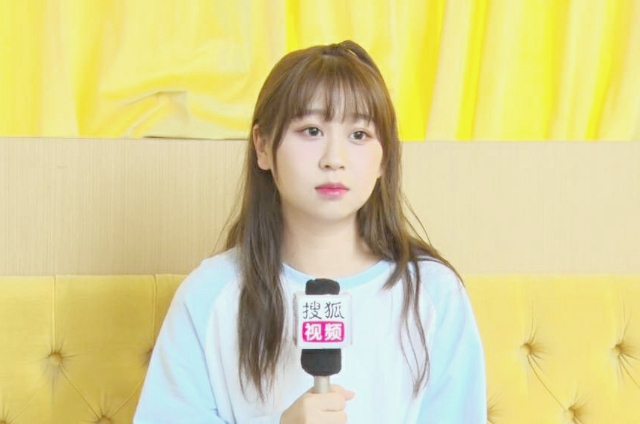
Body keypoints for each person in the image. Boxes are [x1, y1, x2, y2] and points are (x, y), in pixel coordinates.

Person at [134, 40, 486, 424]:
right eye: (312, 130)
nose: (334, 159)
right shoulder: (209, 294)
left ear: (384, 158)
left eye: (359, 135)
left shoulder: (433, 293)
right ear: (263, 147)